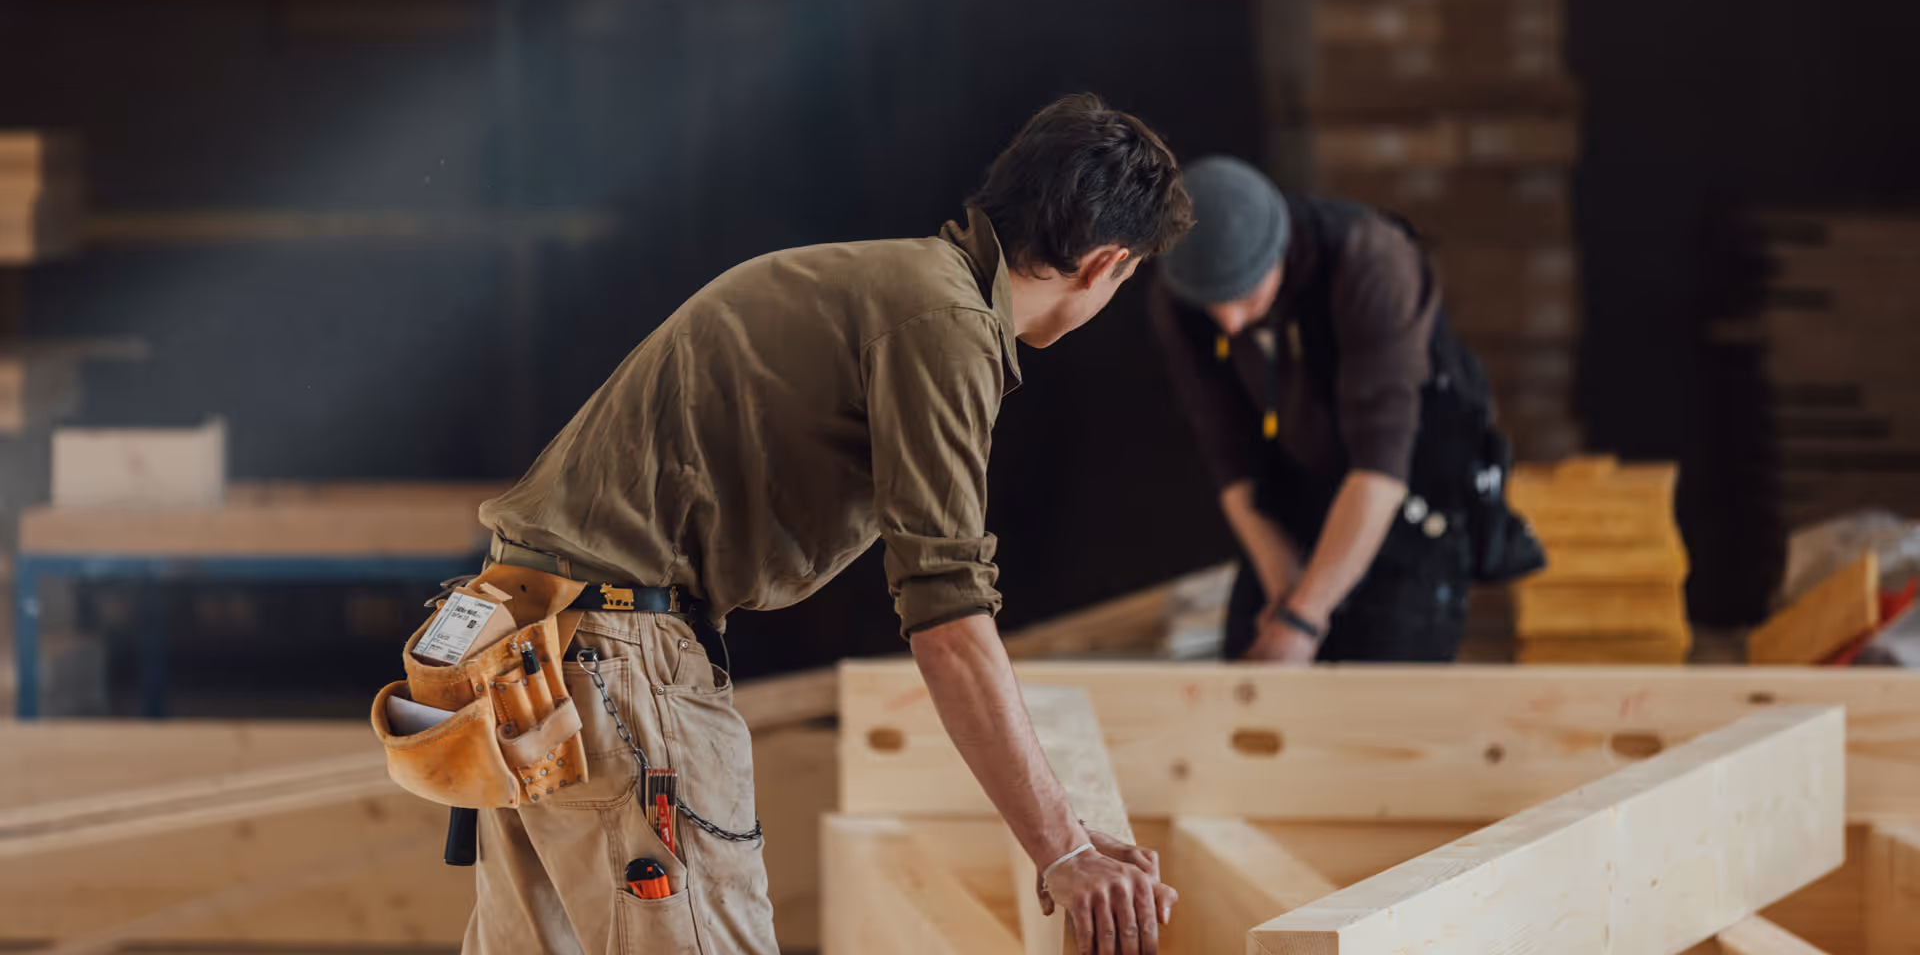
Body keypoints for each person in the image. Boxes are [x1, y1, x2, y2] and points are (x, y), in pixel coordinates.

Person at [466, 94, 1191, 955]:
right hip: (614, 652)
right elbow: (950, 620)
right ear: (1105, 262)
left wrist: (1065, 824)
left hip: (521, 638)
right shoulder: (947, 323)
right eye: (1130, 276)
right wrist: (1061, 846)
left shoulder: (886, 284)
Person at [1148, 155, 1532, 665]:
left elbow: (1380, 468)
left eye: (1243, 296)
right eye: (1212, 304)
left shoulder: (1372, 261)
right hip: (1296, 494)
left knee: (1378, 701)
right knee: (1253, 677)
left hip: (1406, 501)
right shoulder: (1181, 297)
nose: (1230, 323)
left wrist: (1302, 620)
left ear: (1278, 252)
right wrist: (1284, 586)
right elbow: (1229, 456)